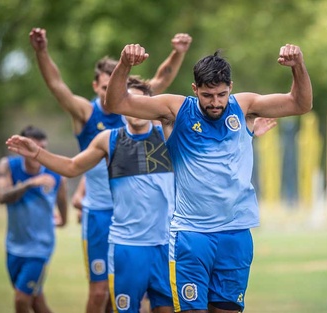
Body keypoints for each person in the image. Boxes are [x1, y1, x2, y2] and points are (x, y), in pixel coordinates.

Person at [104, 43, 313, 313]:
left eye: (222, 94)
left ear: (231, 88)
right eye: (207, 95)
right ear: (195, 90)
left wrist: (298, 66)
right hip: (191, 236)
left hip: (235, 235)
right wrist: (124, 64)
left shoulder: (245, 106)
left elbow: (301, 103)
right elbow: (116, 103)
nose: (215, 102)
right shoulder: (175, 110)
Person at [29, 27, 192, 313]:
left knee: (150, 299)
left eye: (115, 87)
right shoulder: (90, 118)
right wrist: (42, 51)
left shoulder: (146, 116)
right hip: (105, 215)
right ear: (96, 87)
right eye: (106, 88)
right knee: (100, 293)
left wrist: (177, 53)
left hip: (155, 227)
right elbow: (57, 86)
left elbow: (162, 80)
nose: (111, 95)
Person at [6, 78, 175, 313]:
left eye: (141, 102)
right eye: (130, 101)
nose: (135, 107)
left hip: (165, 245)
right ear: (122, 105)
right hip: (127, 246)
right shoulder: (109, 140)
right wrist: (37, 153)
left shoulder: (168, 136)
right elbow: (72, 167)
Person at [0, 125, 68, 313]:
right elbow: (2, 197)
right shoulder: (9, 167)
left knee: (21, 299)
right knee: (36, 302)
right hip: (14, 245)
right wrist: (29, 183)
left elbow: (62, 201)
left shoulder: (55, 173)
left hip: (40, 248)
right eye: (33, 148)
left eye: (42, 148)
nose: (38, 153)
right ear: (21, 149)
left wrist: (63, 220)